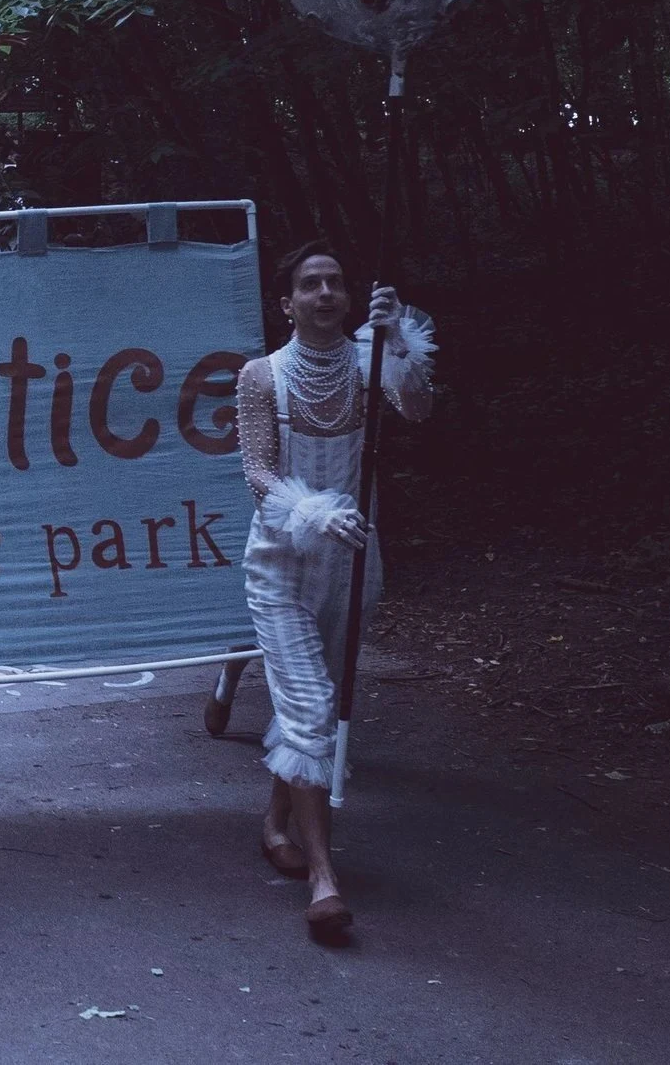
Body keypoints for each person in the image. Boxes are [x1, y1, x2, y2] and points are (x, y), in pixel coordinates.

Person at [236, 241, 434, 944]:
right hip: (281, 561)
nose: (325, 293)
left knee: (306, 706)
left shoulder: (368, 359)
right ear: (286, 303)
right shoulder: (261, 376)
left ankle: (273, 822)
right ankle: (325, 878)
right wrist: (316, 510)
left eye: (336, 284)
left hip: (353, 563)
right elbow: (259, 473)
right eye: (310, 284)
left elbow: (416, 410)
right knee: (314, 706)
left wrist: (397, 337)